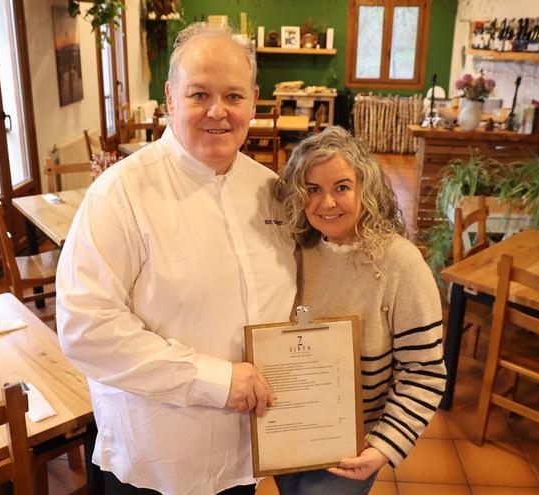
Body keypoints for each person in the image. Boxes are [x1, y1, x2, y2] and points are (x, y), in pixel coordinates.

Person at [56, 23, 297, 495]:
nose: (218, 112)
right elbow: (87, 329)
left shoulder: (271, 191)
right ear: (170, 98)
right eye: (199, 94)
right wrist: (216, 380)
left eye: (232, 96)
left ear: (253, 100)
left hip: (243, 452)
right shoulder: (120, 194)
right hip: (156, 460)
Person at [273, 126, 445, 494]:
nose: (327, 203)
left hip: (354, 445)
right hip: (290, 434)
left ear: (367, 188)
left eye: (342, 187)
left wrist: (384, 445)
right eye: (312, 189)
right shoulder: (294, 253)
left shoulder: (400, 263)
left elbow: (425, 371)